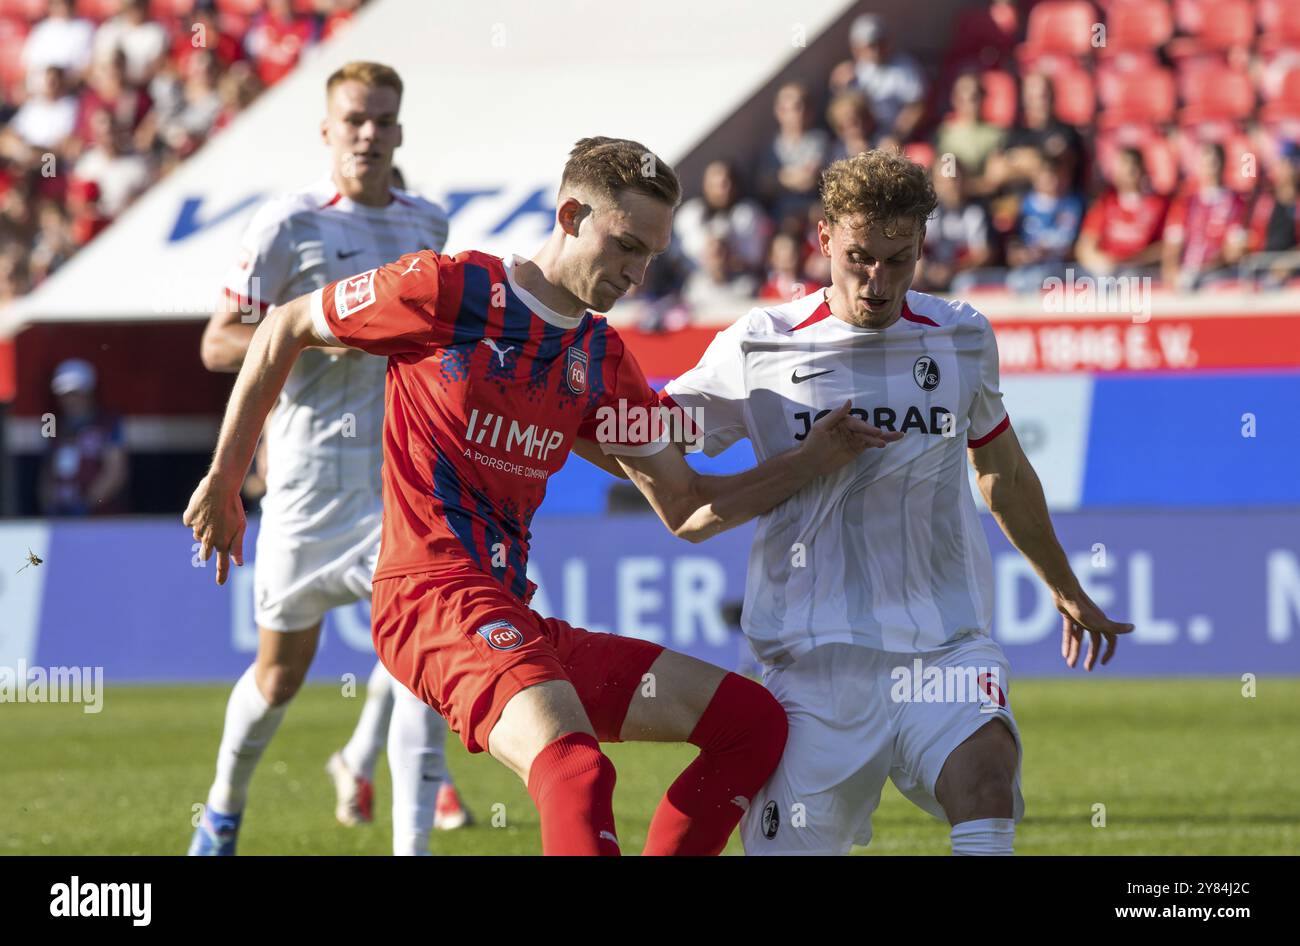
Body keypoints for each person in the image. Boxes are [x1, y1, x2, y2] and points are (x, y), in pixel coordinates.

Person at [185, 136, 886, 856]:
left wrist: (813, 458)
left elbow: (686, 507)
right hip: (427, 598)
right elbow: (284, 324)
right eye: (625, 246)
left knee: (753, 723)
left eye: (651, 255)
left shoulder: (601, 358)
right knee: (576, 771)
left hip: (510, 612)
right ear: (571, 212)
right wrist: (225, 478)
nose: (637, 272)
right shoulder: (446, 290)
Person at [655, 149, 1133, 855]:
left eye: (897, 260)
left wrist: (1064, 588)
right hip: (814, 663)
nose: (877, 281)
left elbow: (1000, 470)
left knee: (987, 780)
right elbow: (655, 441)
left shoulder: (961, 335)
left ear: (920, 249)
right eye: (859, 258)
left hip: (943, 646)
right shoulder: (759, 346)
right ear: (823, 240)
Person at [189, 62, 464, 857]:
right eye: (354, 120)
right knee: (278, 679)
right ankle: (222, 811)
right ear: (327, 131)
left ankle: (412, 849)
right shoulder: (286, 225)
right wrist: (326, 335)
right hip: (306, 487)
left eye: (382, 121)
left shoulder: (429, 226)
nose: (369, 134)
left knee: (419, 668)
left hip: (394, 488)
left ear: (400, 132)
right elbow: (218, 343)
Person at [38, 358, 129, 517]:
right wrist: (49, 504)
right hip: (60, 515)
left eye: (76, 394)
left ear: (89, 392)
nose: (70, 400)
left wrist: (88, 503)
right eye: (65, 394)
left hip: (100, 517)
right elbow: (48, 469)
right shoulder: (52, 423)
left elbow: (115, 470)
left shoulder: (108, 423)